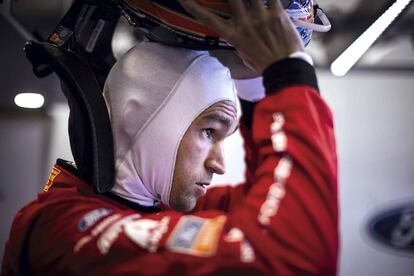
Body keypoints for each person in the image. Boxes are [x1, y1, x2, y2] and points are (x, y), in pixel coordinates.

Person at [2, 0, 338, 275]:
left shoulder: (155, 207)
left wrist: (255, 84)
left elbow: (271, 200)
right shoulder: (58, 230)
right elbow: (293, 256)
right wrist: (288, 71)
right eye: (209, 131)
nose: (219, 164)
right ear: (142, 119)